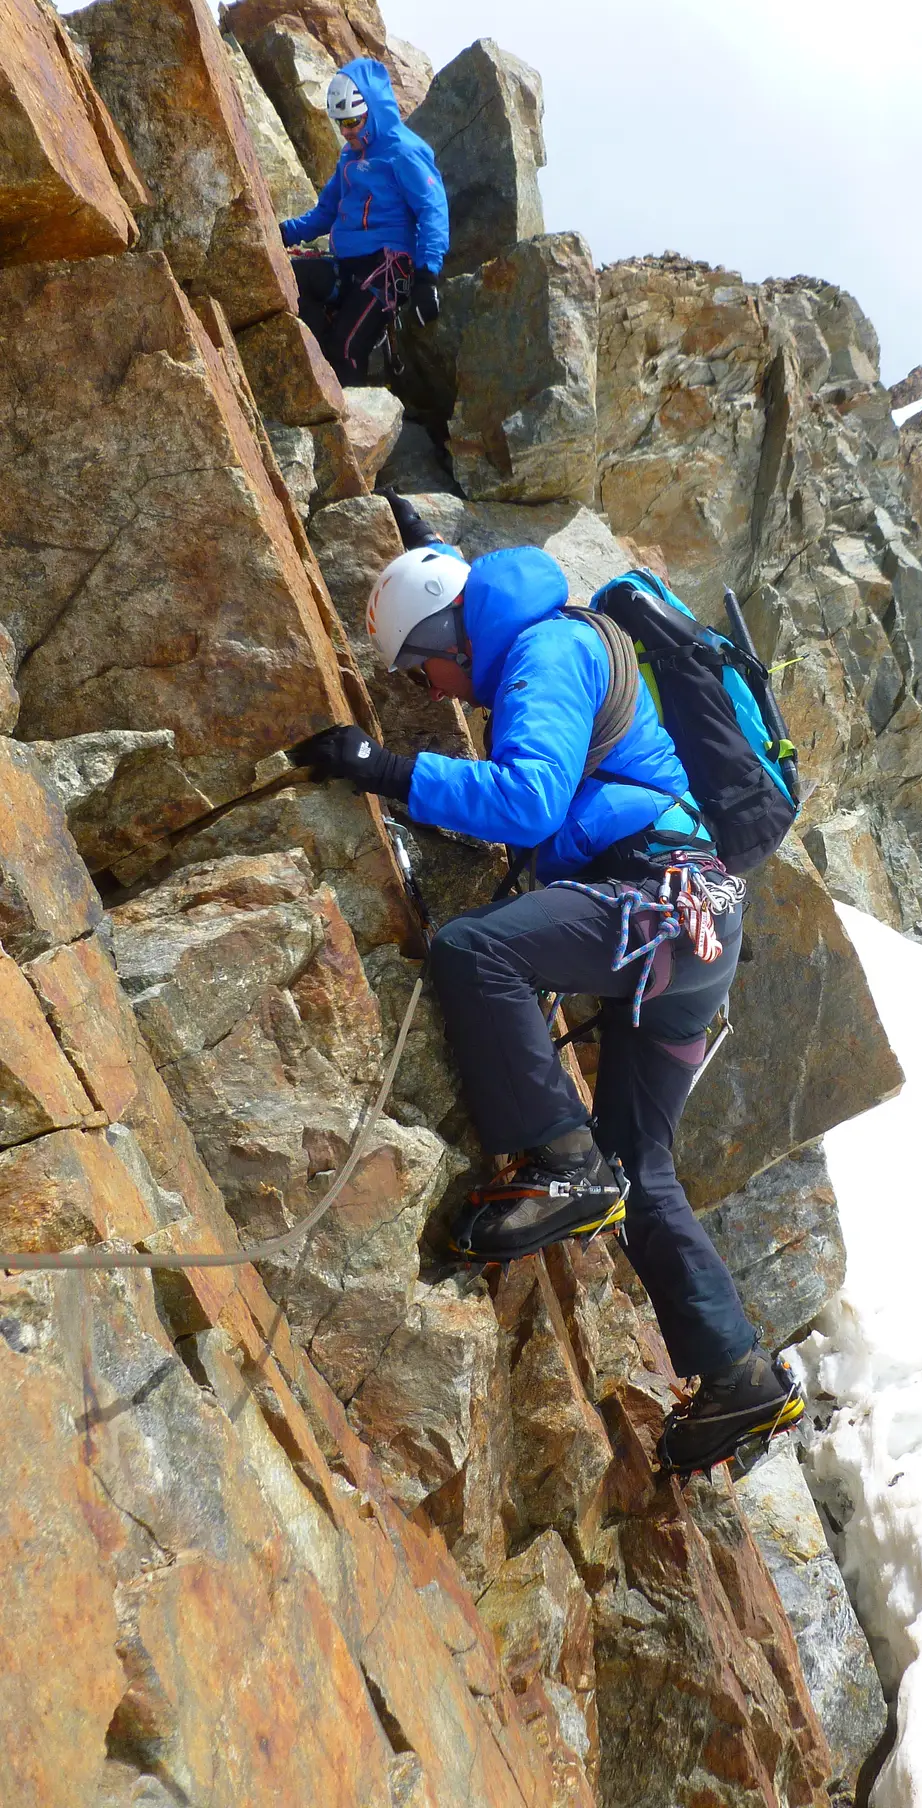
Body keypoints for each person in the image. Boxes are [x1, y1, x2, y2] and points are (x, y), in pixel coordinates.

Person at [290, 534, 805, 1475]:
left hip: (659, 898)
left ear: (454, 631)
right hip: (696, 929)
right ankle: (741, 1381)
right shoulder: (559, 649)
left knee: (474, 950)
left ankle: (562, 1165)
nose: (436, 687)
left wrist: (382, 767)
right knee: (642, 1168)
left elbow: (528, 803)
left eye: (426, 664)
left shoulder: (548, 649)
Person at [278, 58, 448, 385]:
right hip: (348, 266)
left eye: (352, 121)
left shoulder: (404, 152)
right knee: (290, 282)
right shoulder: (349, 157)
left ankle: (348, 423)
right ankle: (320, 368)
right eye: (340, 123)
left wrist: (427, 278)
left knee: (346, 347)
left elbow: (433, 210)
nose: (345, 132)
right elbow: (326, 212)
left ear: (372, 109)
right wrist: (283, 234)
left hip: (384, 269)